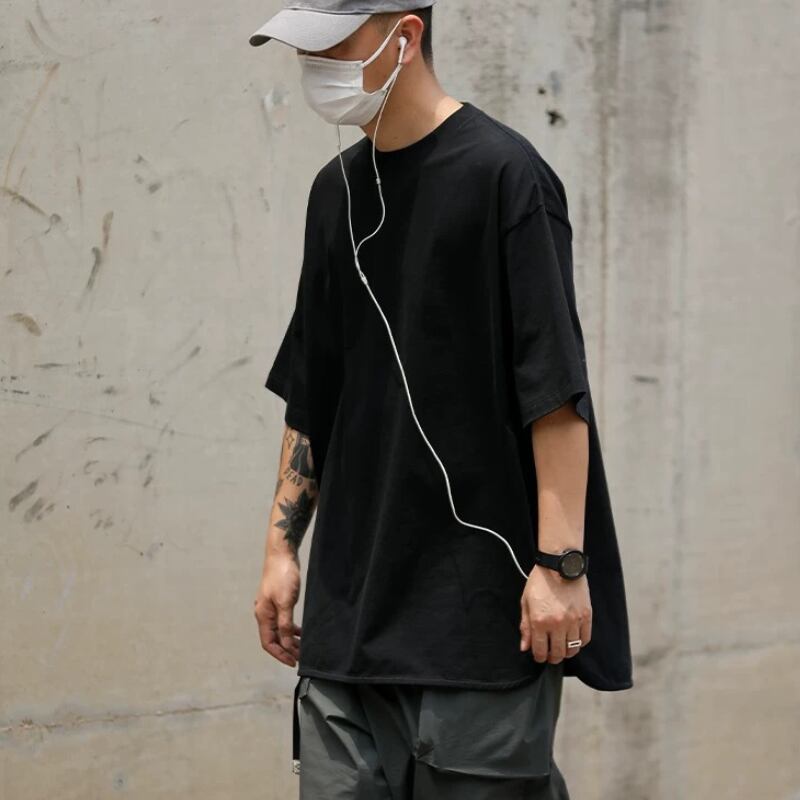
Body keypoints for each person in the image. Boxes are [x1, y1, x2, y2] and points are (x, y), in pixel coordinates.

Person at [249, 2, 634, 798]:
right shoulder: (336, 193)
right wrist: (281, 550)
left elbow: (555, 391)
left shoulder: (506, 176)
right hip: (347, 626)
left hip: (478, 624)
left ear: (406, 36)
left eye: (334, 45)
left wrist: (561, 565)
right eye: (305, 49)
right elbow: (313, 392)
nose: (316, 67)